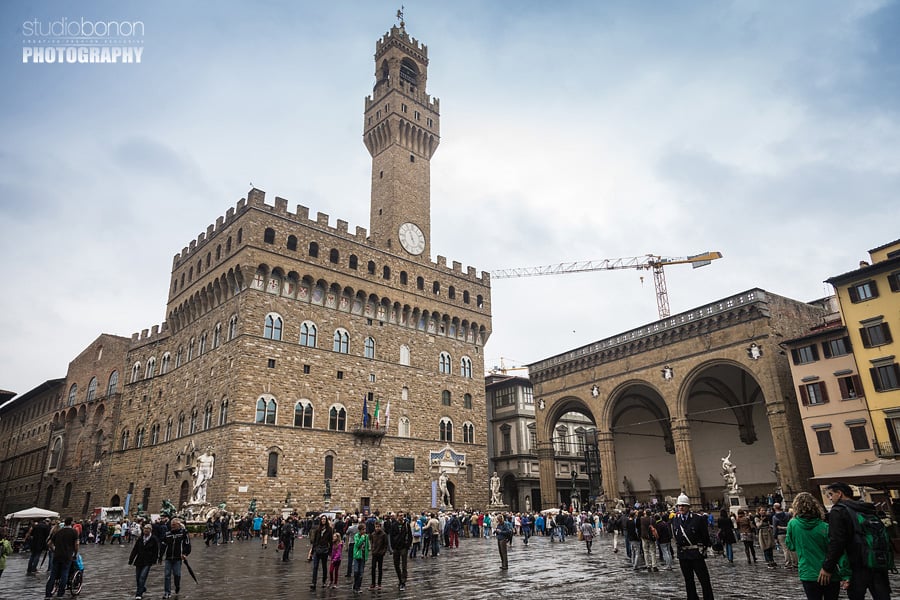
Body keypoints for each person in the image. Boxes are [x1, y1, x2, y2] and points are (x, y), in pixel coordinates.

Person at [819, 481, 892, 600]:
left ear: (840, 493)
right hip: (876, 559)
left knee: (856, 596)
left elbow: (837, 541)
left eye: (831, 495)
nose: (830, 498)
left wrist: (828, 567)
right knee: (882, 596)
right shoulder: (866, 508)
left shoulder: (838, 511)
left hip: (856, 562)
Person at [785, 491, 845, 600]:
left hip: (808, 572)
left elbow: (791, 546)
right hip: (830, 572)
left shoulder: (793, 524)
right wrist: (846, 574)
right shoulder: (825, 526)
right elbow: (837, 550)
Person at [672, 494, 714, 600]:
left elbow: (705, 536)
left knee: (704, 580)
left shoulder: (697, 519)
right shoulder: (675, 519)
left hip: (696, 553)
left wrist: (704, 548)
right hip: (683, 554)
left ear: (688, 507)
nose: (681, 508)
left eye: (683, 505)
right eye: (679, 506)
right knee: (688, 580)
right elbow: (675, 535)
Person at [45, 517, 79, 599]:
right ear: (71, 523)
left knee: (53, 574)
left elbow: (49, 543)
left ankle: (48, 594)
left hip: (57, 555)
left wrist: (54, 550)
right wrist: (75, 553)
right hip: (67, 556)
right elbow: (77, 544)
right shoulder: (74, 532)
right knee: (65, 573)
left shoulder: (59, 531)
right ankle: (60, 594)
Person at [159, 517, 191, 600]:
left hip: (178, 558)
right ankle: (167, 592)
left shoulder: (183, 533)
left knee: (177, 574)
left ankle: (177, 586)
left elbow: (187, 544)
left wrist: (185, 553)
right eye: (171, 525)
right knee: (167, 575)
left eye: (174, 525)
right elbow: (163, 545)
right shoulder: (168, 534)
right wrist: (160, 556)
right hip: (169, 558)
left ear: (179, 525)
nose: (172, 526)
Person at [129, 524, 159, 600]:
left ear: (150, 530)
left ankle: (139, 594)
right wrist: (131, 559)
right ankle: (142, 588)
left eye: (147, 529)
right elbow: (135, 549)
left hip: (148, 561)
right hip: (139, 560)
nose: (146, 530)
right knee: (138, 578)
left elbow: (156, 551)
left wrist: (154, 560)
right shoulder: (140, 538)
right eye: (145, 529)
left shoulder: (153, 539)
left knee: (142, 577)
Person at [387, 512, 412, 590]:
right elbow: (391, 536)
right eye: (400, 515)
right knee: (396, 565)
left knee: (404, 565)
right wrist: (392, 546)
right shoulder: (394, 525)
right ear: (397, 517)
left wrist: (408, 545)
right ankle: (400, 579)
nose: (402, 517)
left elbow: (410, 535)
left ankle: (403, 582)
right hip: (396, 547)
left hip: (404, 547)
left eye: (403, 516)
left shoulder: (407, 525)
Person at [309, 515, 332, 590]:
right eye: (322, 519)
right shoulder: (317, 529)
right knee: (315, 567)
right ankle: (313, 582)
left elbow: (331, 541)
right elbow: (315, 541)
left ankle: (324, 581)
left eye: (324, 519)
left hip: (324, 550)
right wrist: (312, 551)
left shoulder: (329, 530)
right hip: (317, 549)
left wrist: (330, 552)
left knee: (324, 566)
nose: (323, 520)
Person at [772, 502, 797, 569]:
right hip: (789, 532)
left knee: (785, 549)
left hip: (781, 534)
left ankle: (788, 563)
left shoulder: (774, 517)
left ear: (774, 508)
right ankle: (795, 562)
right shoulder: (787, 514)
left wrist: (775, 536)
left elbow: (775, 527)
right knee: (792, 548)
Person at [369, 520, 387, 590]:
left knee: (380, 569)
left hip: (380, 554)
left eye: (378, 527)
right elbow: (372, 542)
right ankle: (373, 583)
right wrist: (372, 550)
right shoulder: (373, 534)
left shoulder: (383, 534)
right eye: (376, 527)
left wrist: (383, 552)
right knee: (373, 568)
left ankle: (379, 583)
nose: (377, 528)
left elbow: (385, 545)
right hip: (374, 553)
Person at [352, 525, 370, 594]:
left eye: (365, 529)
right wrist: (362, 538)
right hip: (357, 556)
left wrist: (367, 553)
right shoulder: (357, 536)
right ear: (360, 530)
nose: (364, 531)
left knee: (361, 573)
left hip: (363, 556)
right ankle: (355, 585)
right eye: (363, 529)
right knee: (356, 571)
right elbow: (357, 545)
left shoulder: (366, 536)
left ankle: (358, 587)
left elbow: (367, 546)